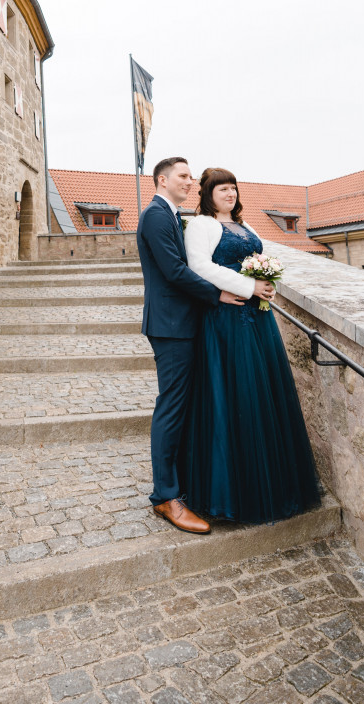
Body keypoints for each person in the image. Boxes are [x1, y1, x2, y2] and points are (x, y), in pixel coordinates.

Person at [183, 167, 322, 524]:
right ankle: (235, 490)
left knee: (265, 393)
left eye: (233, 188)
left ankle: (277, 483)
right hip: (227, 318)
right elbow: (199, 266)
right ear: (208, 194)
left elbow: (260, 260)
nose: (229, 194)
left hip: (258, 319)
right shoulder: (201, 225)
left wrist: (267, 281)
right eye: (222, 189)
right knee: (235, 393)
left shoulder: (247, 226)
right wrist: (249, 287)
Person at [136, 157, 252, 534]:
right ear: (162, 179)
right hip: (171, 327)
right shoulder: (155, 215)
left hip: (183, 323)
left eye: (191, 176)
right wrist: (218, 293)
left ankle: (183, 482)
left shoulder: (170, 215)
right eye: (183, 176)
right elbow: (173, 270)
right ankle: (166, 498)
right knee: (170, 408)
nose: (190, 182)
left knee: (183, 405)